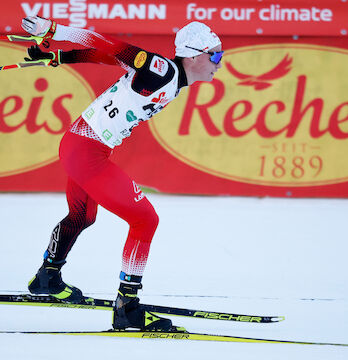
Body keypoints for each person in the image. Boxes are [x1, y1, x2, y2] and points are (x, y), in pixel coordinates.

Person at [22, 16, 223, 332]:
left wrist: (61, 57)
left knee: (82, 216)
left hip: (80, 146)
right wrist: (54, 32)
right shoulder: (162, 69)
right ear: (194, 55)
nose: (218, 63)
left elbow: (106, 56)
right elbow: (106, 44)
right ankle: (127, 306)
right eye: (215, 55)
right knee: (146, 219)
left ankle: (47, 277)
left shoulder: (166, 78)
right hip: (87, 152)